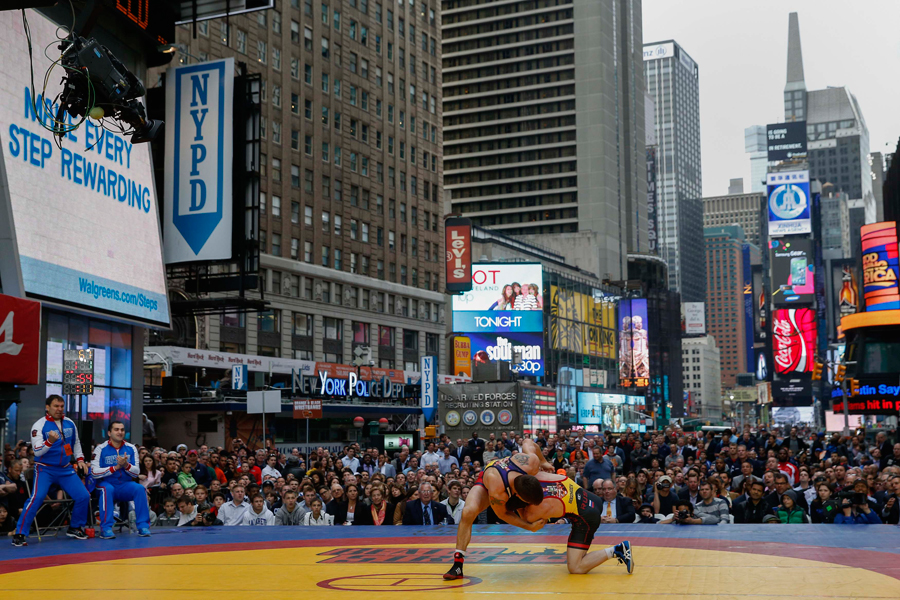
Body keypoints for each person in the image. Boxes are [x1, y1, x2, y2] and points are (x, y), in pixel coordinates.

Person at [444, 440, 553, 580]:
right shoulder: (498, 491)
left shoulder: (531, 462)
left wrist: (543, 462)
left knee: (531, 511)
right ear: (517, 496)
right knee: (468, 512)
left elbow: (528, 442)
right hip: (487, 481)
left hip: (510, 477)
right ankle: (458, 564)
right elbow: (503, 514)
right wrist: (529, 527)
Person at [516, 472, 634, 575]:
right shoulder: (539, 474)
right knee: (578, 549)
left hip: (586, 517)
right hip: (591, 498)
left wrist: (514, 507)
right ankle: (585, 539)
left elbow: (531, 524)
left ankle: (618, 550)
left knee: (576, 567)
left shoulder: (540, 507)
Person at [13, 395, 90, 547]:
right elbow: (37, 451)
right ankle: (20, 533)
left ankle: (75, 527)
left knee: (83, 496)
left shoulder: (69, 423)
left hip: (65, 469)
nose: (59, 409)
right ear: (47, 407)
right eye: (56, 406)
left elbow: (75, 443)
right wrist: (50, 441)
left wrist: (80, 459)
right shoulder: (39, 425)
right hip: (45, 469)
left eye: (61, 406)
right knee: (37, 498)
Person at [91, 421, 152, 539]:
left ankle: (143, 526)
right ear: (109, 433)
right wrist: (115, 468)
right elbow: (94, 472)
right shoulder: (100, 449)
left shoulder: (131, 448)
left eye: (122, 430)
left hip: (124, 484)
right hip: (105, 483)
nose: (120, 432)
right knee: (107, 489)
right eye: (116, 429)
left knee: (139, 488)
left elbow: (136, 472)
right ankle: (106, 528)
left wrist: (126, 465)